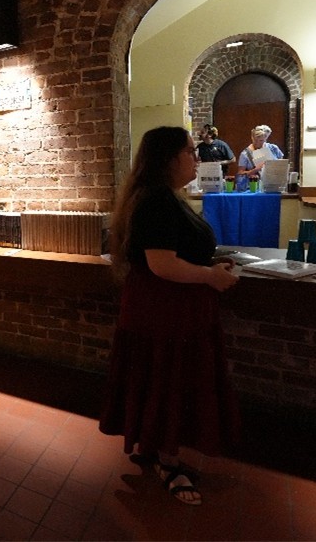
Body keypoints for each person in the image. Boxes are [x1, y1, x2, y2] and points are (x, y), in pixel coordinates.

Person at [98, 126, 240, 506]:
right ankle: (169, 462)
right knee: (169, 381)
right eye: (191, 152)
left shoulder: (161, 197)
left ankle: (158, 447)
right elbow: (161, 264)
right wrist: (210, 275)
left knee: (161, 379)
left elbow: (174, 254)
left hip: (165, 307)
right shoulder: (157, 200)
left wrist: (207, 263)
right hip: (165, 309)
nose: (197, 158)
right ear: (169, 158)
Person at [236, 124, 284, 190]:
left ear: (266, 138)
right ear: (252, 137)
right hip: (253, 187)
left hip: (272, 186)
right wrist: (256, 169)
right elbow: (240, 173)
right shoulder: (245, 154)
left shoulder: (273, 148)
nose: (258, 143)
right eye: (255, 140)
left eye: (262, 140)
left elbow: (282, 164)